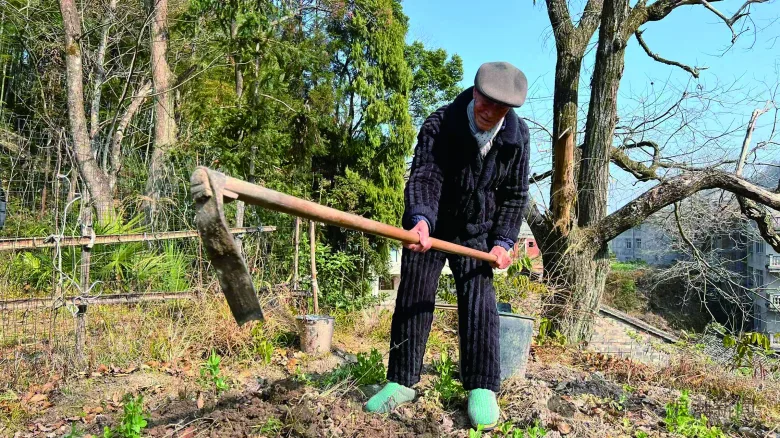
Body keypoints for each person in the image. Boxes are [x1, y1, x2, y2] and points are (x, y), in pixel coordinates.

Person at [365, 61, 531, 430]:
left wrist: (503, 241)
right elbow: (425, 174)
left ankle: (482, 386)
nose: (488, 111)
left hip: (478, 233)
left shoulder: (517, 139)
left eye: (499, 107)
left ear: (510, 109)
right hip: (433, 226)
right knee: (414, 296)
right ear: (474, 92)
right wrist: (420, 219)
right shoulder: (441, 124)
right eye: (484, 101)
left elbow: (516, 195)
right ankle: (401, 381)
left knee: (480, 305)